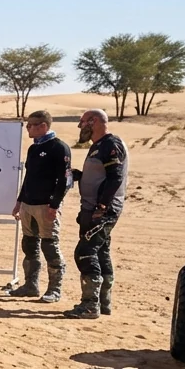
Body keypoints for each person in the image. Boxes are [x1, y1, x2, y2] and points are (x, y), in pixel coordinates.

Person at [3, 110, 72, 302]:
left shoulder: (59, 148)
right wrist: (19, 201)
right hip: (28, 204)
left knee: (50, 246)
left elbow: (64, 180)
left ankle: (54, 289)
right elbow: (28, 178)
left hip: (46, 206)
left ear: (43, 126)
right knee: (29, 244)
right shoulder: (33, 149)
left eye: (31, 125)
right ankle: (30, 285)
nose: (27, 128)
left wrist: (54, 205)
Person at [66, 109, 127, 319]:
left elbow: (115, 177)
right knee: (101, 252)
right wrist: (78, 176)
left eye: (82, 122)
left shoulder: (111, 144)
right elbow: (99, 176)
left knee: (84, 252)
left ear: (94, 122)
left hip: (102, 211)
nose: (79, 127)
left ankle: (90, 305)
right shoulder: (97, 147)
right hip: (91, 208)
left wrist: (102, 207)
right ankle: (103, 302)